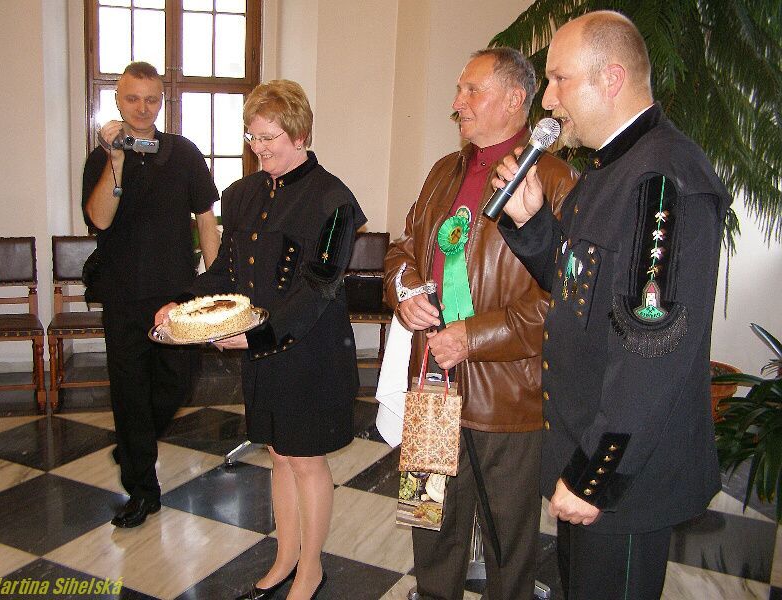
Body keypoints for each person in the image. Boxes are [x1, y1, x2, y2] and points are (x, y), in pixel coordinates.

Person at [494, 11, 731, 600]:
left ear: (612, 78)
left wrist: (596, 475)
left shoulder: (662, 180)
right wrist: (534, 224)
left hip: (623, 479)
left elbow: (654, 353)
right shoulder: (610, 170)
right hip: (586, 446)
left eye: (559, 79)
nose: (548, 100)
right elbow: (581, 290)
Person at [156, 79, 366, 600]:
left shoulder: (335, 201)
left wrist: (257, 337)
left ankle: (310, 569)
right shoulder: (243, 194)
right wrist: (182, 302)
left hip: (310, 353)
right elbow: (223, 272)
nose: (259, 148)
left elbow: (318, 289)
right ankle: (284, 557)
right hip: (263, 353)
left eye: (269, 137)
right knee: (278, 453)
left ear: (300, 134)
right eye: (252, 137)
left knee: (306, 460)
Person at [385, 48, 577, 600]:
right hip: (431, 384)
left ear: (516, 99)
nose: (457, 103)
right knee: (429, 525)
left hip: (506, 399)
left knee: (507, 546)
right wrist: (405, 293)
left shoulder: (555, 179)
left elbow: (563, 302)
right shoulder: (444, 171)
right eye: (458, 90)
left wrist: (472, 337)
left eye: (472, 90)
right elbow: (403, 250)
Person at [82, 61, 220, 528]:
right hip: (122, 295)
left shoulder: (184, 153)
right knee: (130, 394)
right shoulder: (101, 157)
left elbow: (206, 219)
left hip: (176, 295)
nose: (142, 108)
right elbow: (100, 219)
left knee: (177, 382)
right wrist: (116, 161)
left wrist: (214, 282)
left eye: (151, 99)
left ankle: (134, 442)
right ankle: (142, 490)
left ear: (162, 102)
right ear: (117, 101)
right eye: (132, 99)